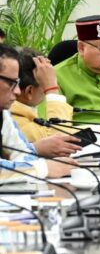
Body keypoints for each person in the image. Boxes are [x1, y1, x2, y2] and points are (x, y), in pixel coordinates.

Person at [11, 48, 100, 157]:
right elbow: (60, 141)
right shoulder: (13, 119)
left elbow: (49, 132)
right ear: (29, 91)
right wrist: (51, 89)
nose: (56, 86)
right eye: (46, 82)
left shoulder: (24, 111)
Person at [0, 45, 75, 183]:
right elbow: (62, 142)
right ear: (29, 91)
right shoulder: (13, 112)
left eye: (17, 83)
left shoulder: (3, 114)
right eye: (11, 83)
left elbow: (23, 155)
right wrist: (43, 168)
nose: (17, 91)